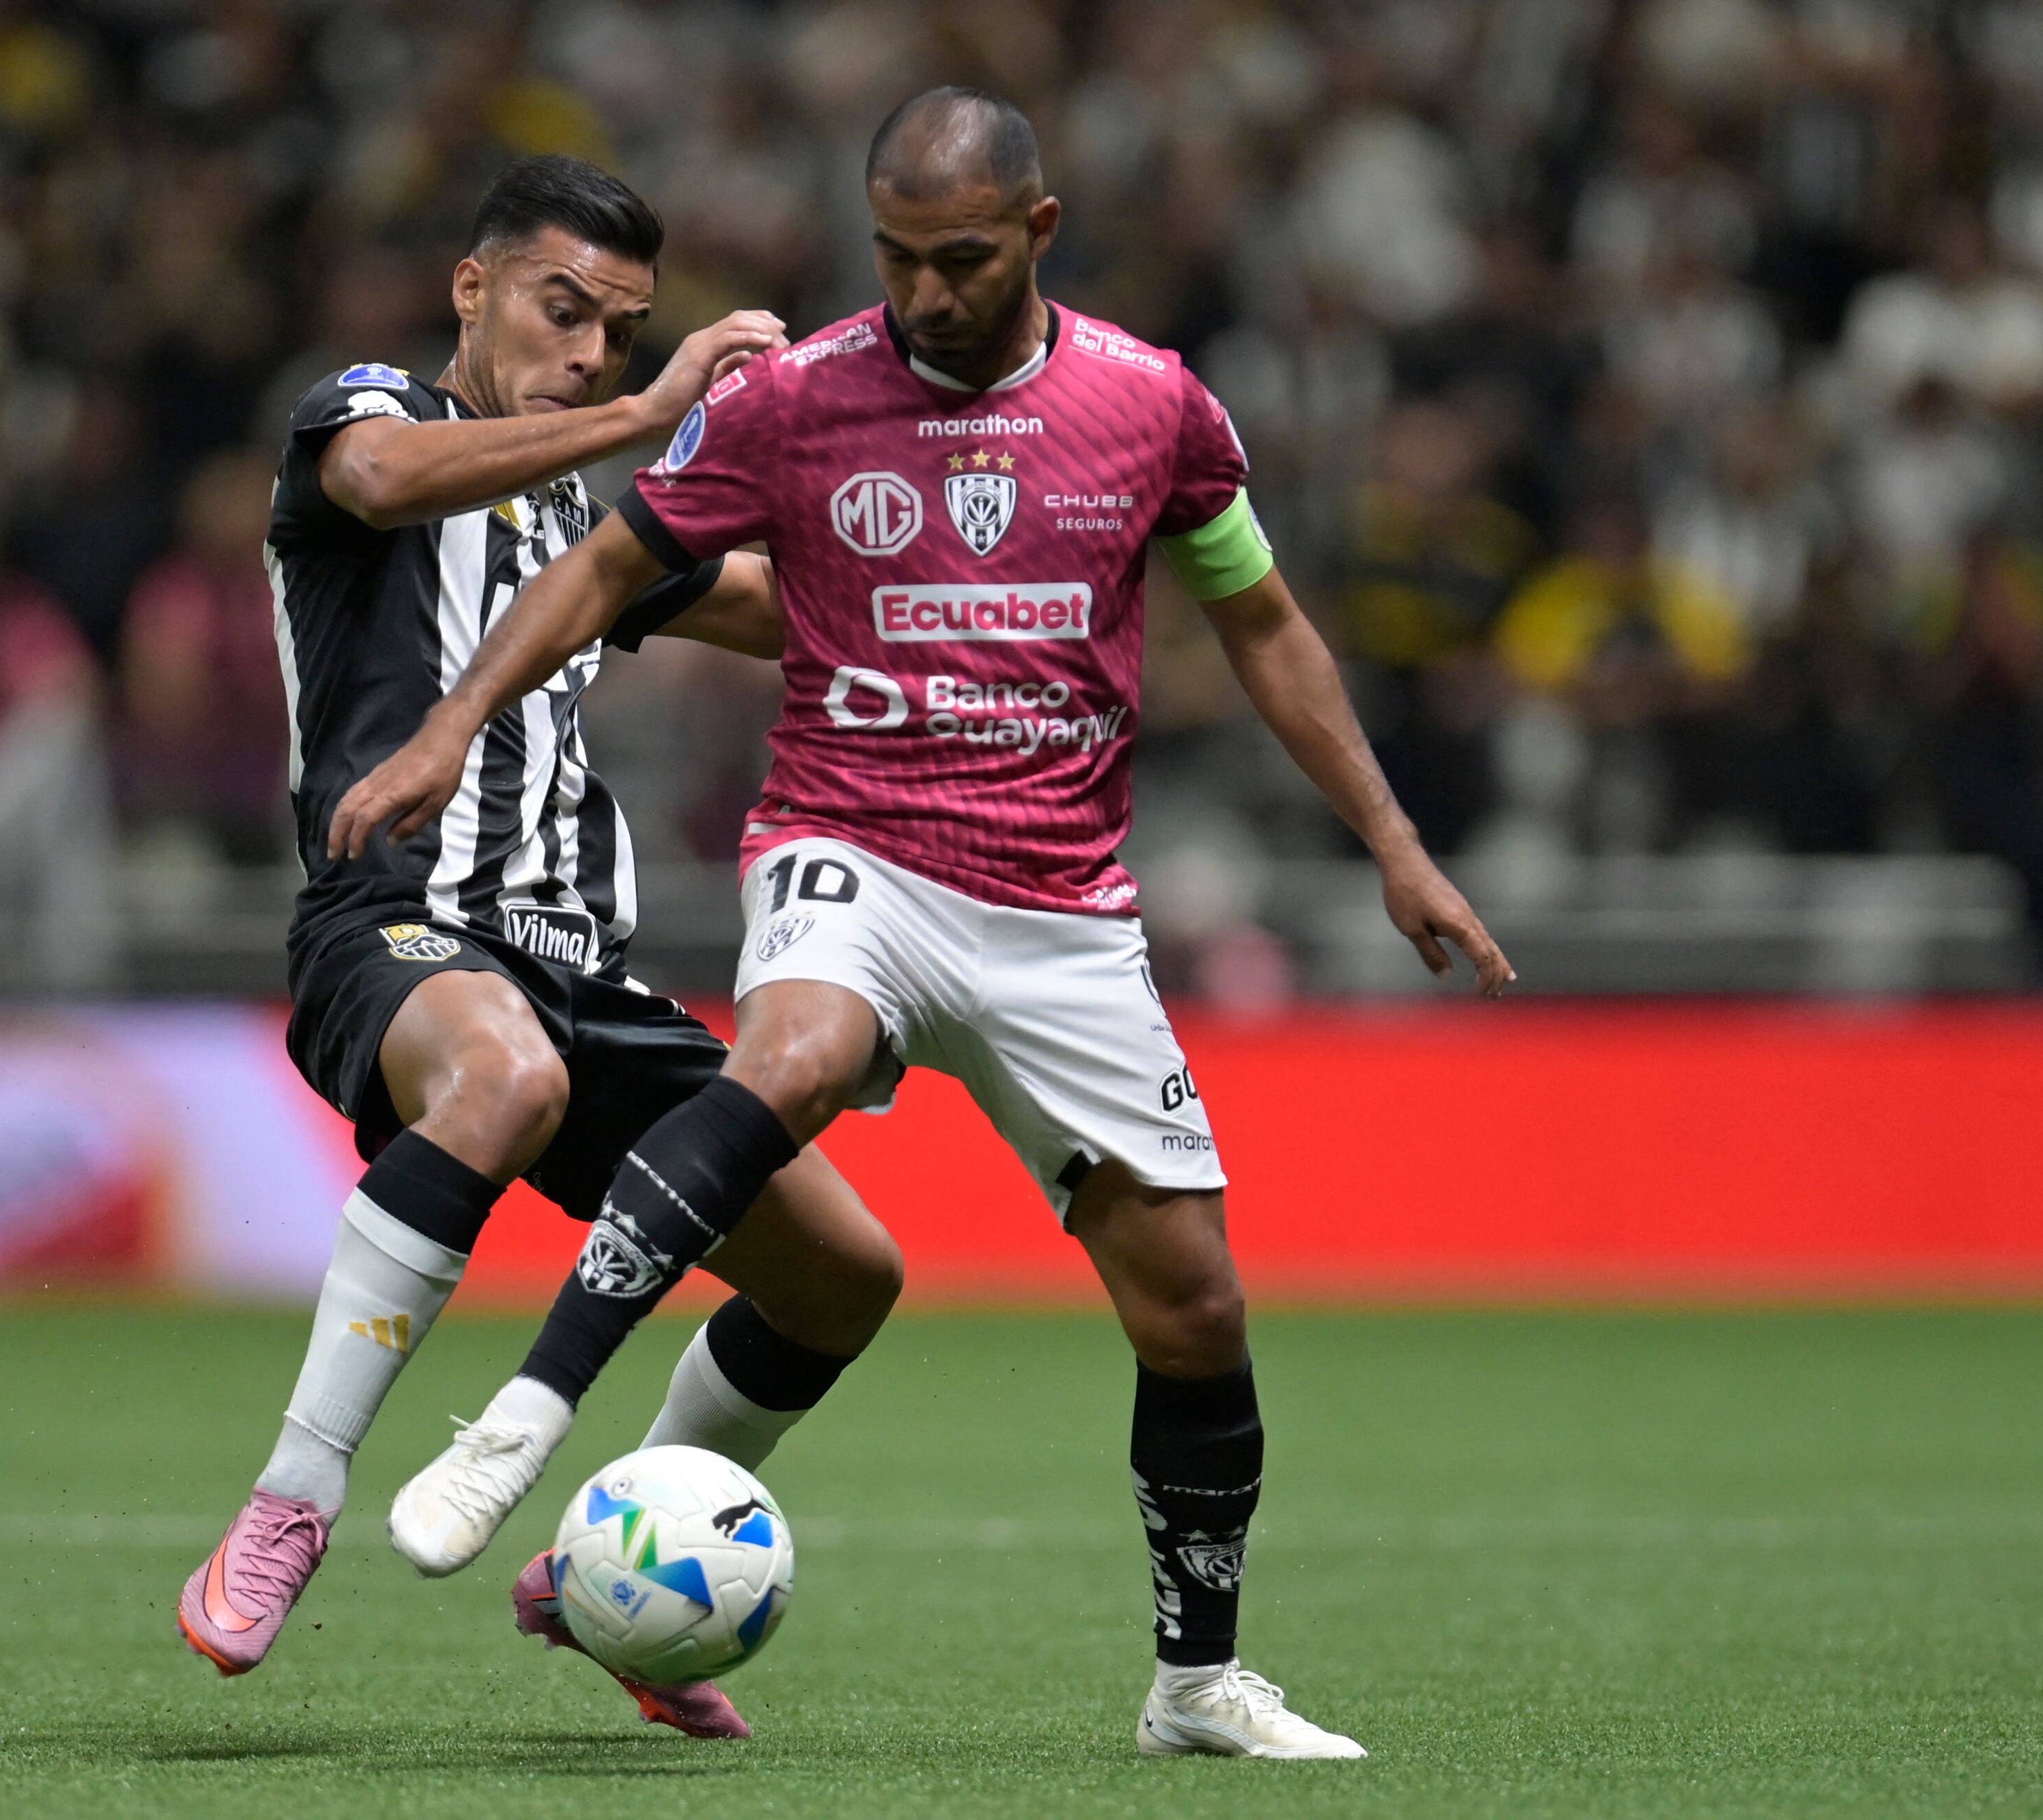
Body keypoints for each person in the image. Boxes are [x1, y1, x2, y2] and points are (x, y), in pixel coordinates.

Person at [351, 94, 1511, 1760]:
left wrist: (1394, 844)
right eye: (893, 256)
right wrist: (457, 719)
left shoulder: (1152, 404)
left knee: (1192, 1307)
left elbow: (1260, 623)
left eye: (958, 260)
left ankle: (1194, 1685)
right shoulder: (800, 398)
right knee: (793, 1057)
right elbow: (604, 570)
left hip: (1058, 906)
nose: (922, 292)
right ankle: (524, 1416)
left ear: (1037, 234)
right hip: (854, 847)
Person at [174, 156, 905, 1743]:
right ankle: (294, 1497)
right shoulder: (363, 414)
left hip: (585, 968)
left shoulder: (576, 512)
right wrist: (652, 419)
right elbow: (375, 483)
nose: (588, 352)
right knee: (493, 1074)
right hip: (395, 927)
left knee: (843, 1276)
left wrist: (891, 506)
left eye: (619, 333)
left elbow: (778, 609)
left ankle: (598, 1563)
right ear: (473, 288)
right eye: (562, 311)